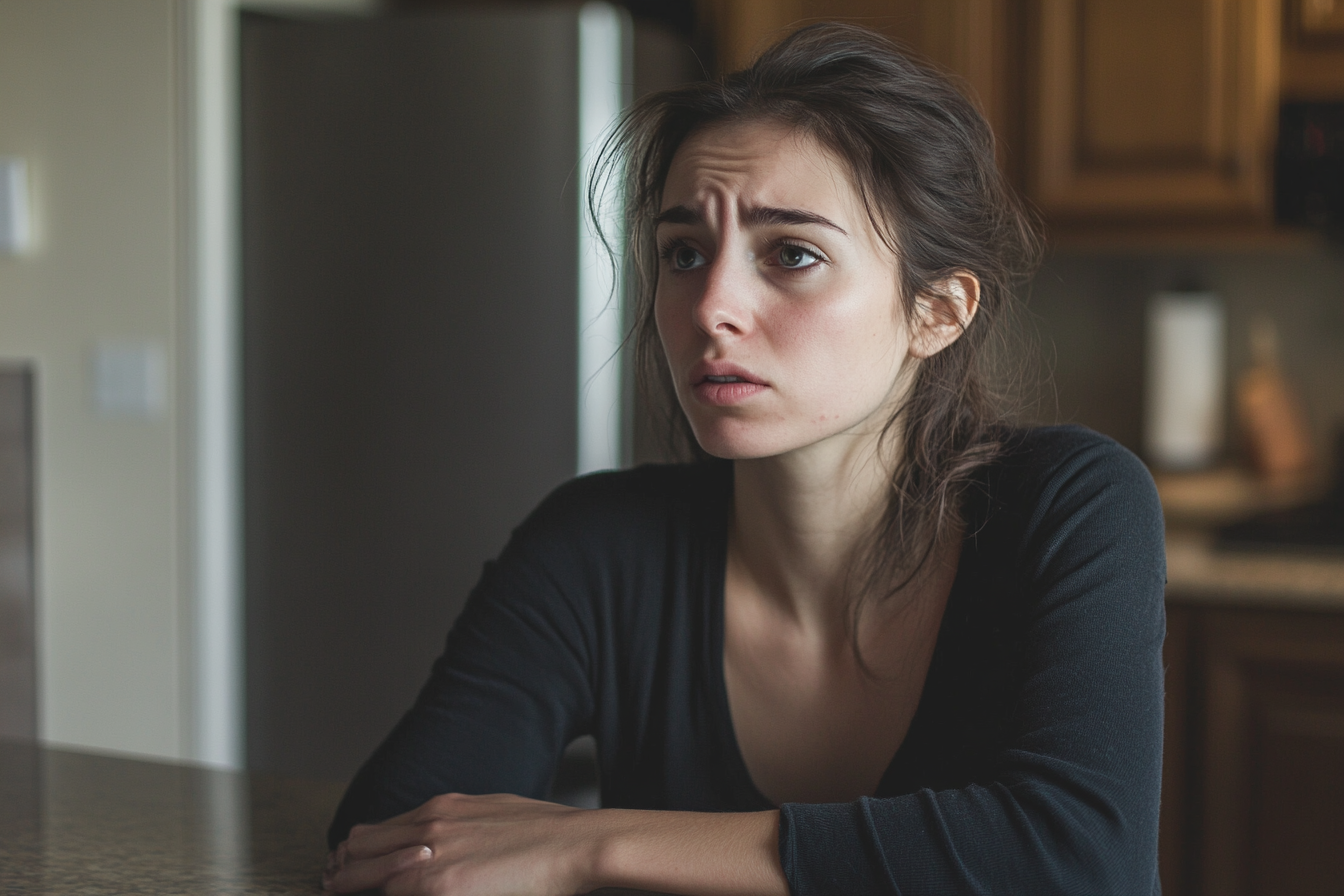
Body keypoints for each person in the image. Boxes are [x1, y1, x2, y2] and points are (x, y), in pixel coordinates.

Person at [322, 22, 1166, 896]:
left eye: (792, 254)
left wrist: (588, 845)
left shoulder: (1069, 506)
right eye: (685, 252)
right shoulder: (599, 546)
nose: (711, 306)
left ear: (937, 312)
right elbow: (390, 838)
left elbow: (1077, 862)